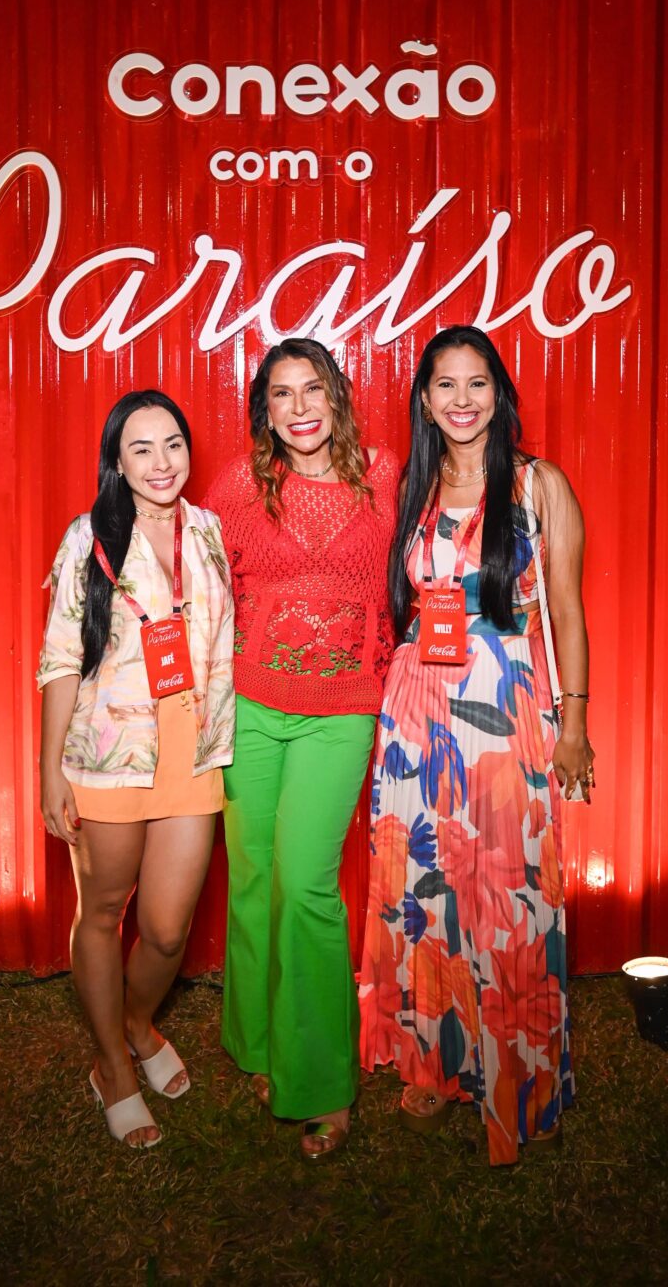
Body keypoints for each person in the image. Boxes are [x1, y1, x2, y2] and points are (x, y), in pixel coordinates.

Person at [358, 325, 594, 1166]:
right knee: (429, 888)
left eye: (478, 384)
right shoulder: (411, 488)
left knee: (508, 891)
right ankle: (435, 1062)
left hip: (506, 711)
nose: (462, 401)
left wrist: (577, 723)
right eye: (445, 386)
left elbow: (564, 610)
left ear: (500, 394)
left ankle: (520, 1073)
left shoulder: (537, 486)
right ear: (424, 399)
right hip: (417, 709)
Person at [205, 337, 398, 1161]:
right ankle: (258, 1043)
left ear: (338, 397)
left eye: (311, 389)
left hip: (341, 708)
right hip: (251, 705)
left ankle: (321, 1077)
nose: (299, 408)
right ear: (265, 410)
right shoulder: (236, 486)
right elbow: (203, 585)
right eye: (280, 395)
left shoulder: (386, 476)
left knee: (308, 883)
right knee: (250, 877)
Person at [37, 390, 234, 1147]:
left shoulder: (211, 533)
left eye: (174, 444)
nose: (162, 462)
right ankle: (114, 1066)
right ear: (117, 461)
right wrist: (52, 770)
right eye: (142, 448)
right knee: (104, 913)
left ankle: (137, 1019)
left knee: (165, 928)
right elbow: (60, 660)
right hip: (109, 757)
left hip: (195, 752)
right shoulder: (88, 538)